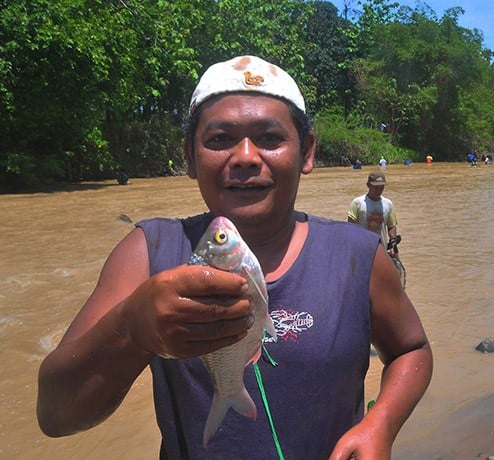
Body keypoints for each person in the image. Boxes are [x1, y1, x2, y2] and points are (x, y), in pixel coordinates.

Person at [36, 56, 432, 459]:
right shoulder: (150, 251)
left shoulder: (358, 256)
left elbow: (412, 351)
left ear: (307, 152)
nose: (245, 156)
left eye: (270, 137)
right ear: (190, 157)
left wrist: (380, 423)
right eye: (220, 139)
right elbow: (55, 414)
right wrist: (133, 327)